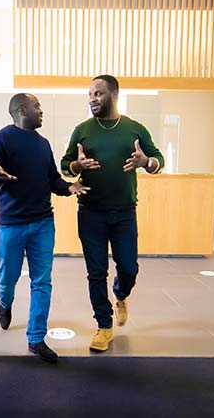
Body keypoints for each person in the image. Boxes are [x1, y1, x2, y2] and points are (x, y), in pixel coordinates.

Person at [60, 75, 164, 353]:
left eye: (98, 94)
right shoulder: (82, 130)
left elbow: (158, 160)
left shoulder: (134, 129)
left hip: (125, 214)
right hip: (91, 213)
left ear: (114, 95)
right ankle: (103, 326)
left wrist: (146, 162)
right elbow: (65, 164)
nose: (92, 99)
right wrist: (76, 166)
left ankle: (121, 293)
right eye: (90, 94)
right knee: (96, 272)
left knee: (129, 267)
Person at [0, 93, 89, 363]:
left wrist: (69, 187)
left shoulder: (43, 144)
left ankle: (36, 338)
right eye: (37, 106)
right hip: (11, 224)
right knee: (7, 278)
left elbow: (52, 178)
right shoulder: (1, 138)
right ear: (22, 109)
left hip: (43, 222)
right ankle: (5, 302)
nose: (41, 111)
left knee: (42, 281)